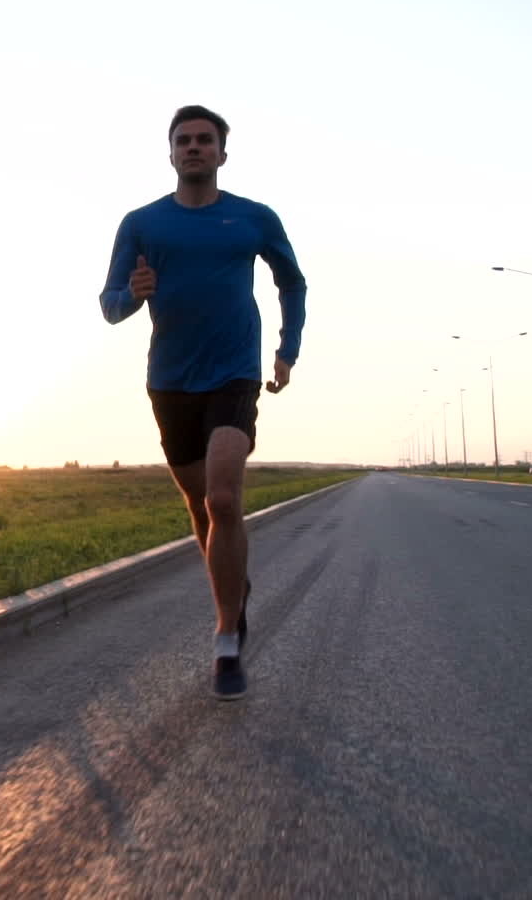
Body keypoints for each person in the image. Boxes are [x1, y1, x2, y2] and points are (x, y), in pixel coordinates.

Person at [98, 105, 307, 699]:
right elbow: (110, 305)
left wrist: (287, 349)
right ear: (170, 154)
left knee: (222, 497)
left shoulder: (253, 218)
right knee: (199, 503)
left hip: (235, 375)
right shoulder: (142, 223)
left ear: (222, 153)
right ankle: (232, 587)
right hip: (170, 381)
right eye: (183, 140)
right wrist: (132, 295)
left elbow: (291, 281)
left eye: (204, 140)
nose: (193, 147)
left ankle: (226, 639)